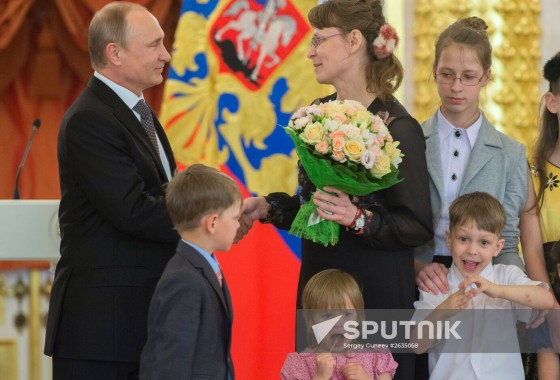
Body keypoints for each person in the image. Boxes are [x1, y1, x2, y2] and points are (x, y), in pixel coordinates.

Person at [241, 0, 433, 378]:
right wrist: (268, 207)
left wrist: (357, 217)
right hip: (320, 290)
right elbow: (313, 208)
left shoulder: (399, 127)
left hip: (373, 297)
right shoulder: (317, 113)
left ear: (353, 41)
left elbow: (417, 225)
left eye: (318, 41)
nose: (310, 52)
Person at [44, 2, 178, 379]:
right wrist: (210, 213)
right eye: (153, 45)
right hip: (102, 333)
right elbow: (133, 210)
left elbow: (164, 193)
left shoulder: (140, 111)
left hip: (136, 324)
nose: (165, 54)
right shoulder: (91, 118)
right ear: (114, 53)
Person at [412, 192, 554, 380]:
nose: (472, 250)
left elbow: (546, 300)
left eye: (484, 242)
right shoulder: (438, 285)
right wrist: (442, 311)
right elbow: (416, 345)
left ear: (498, 247)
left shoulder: (506, 276)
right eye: (463, 239)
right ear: (449, 239)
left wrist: (498, 290)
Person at [140, 164, 240, 379]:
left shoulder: (202, 268)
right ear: (212, 223)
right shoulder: (183, 281)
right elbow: (171, 365)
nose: (239, 225)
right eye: (235, 218)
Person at [281, 269, 397, 380]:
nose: (338, 323)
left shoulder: (376, 358)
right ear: (311, 320)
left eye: (346, 314)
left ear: (358, 318)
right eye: (328, 316)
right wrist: (320, 377)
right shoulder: (298, 363)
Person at [524, 51, 560, 379]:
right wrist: (550, 306)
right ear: (553, 102)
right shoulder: (532, 171)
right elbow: (532, 248)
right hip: (549, 291)